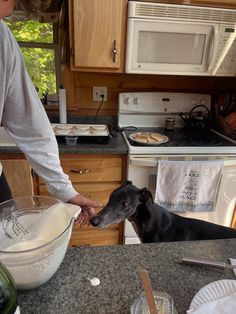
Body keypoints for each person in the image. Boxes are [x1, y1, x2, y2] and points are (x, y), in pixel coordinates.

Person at [0, 0, 101, 225]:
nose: (11, 5)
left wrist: (65, 191)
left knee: (8, 249)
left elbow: (29, 122)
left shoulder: (2, 37)